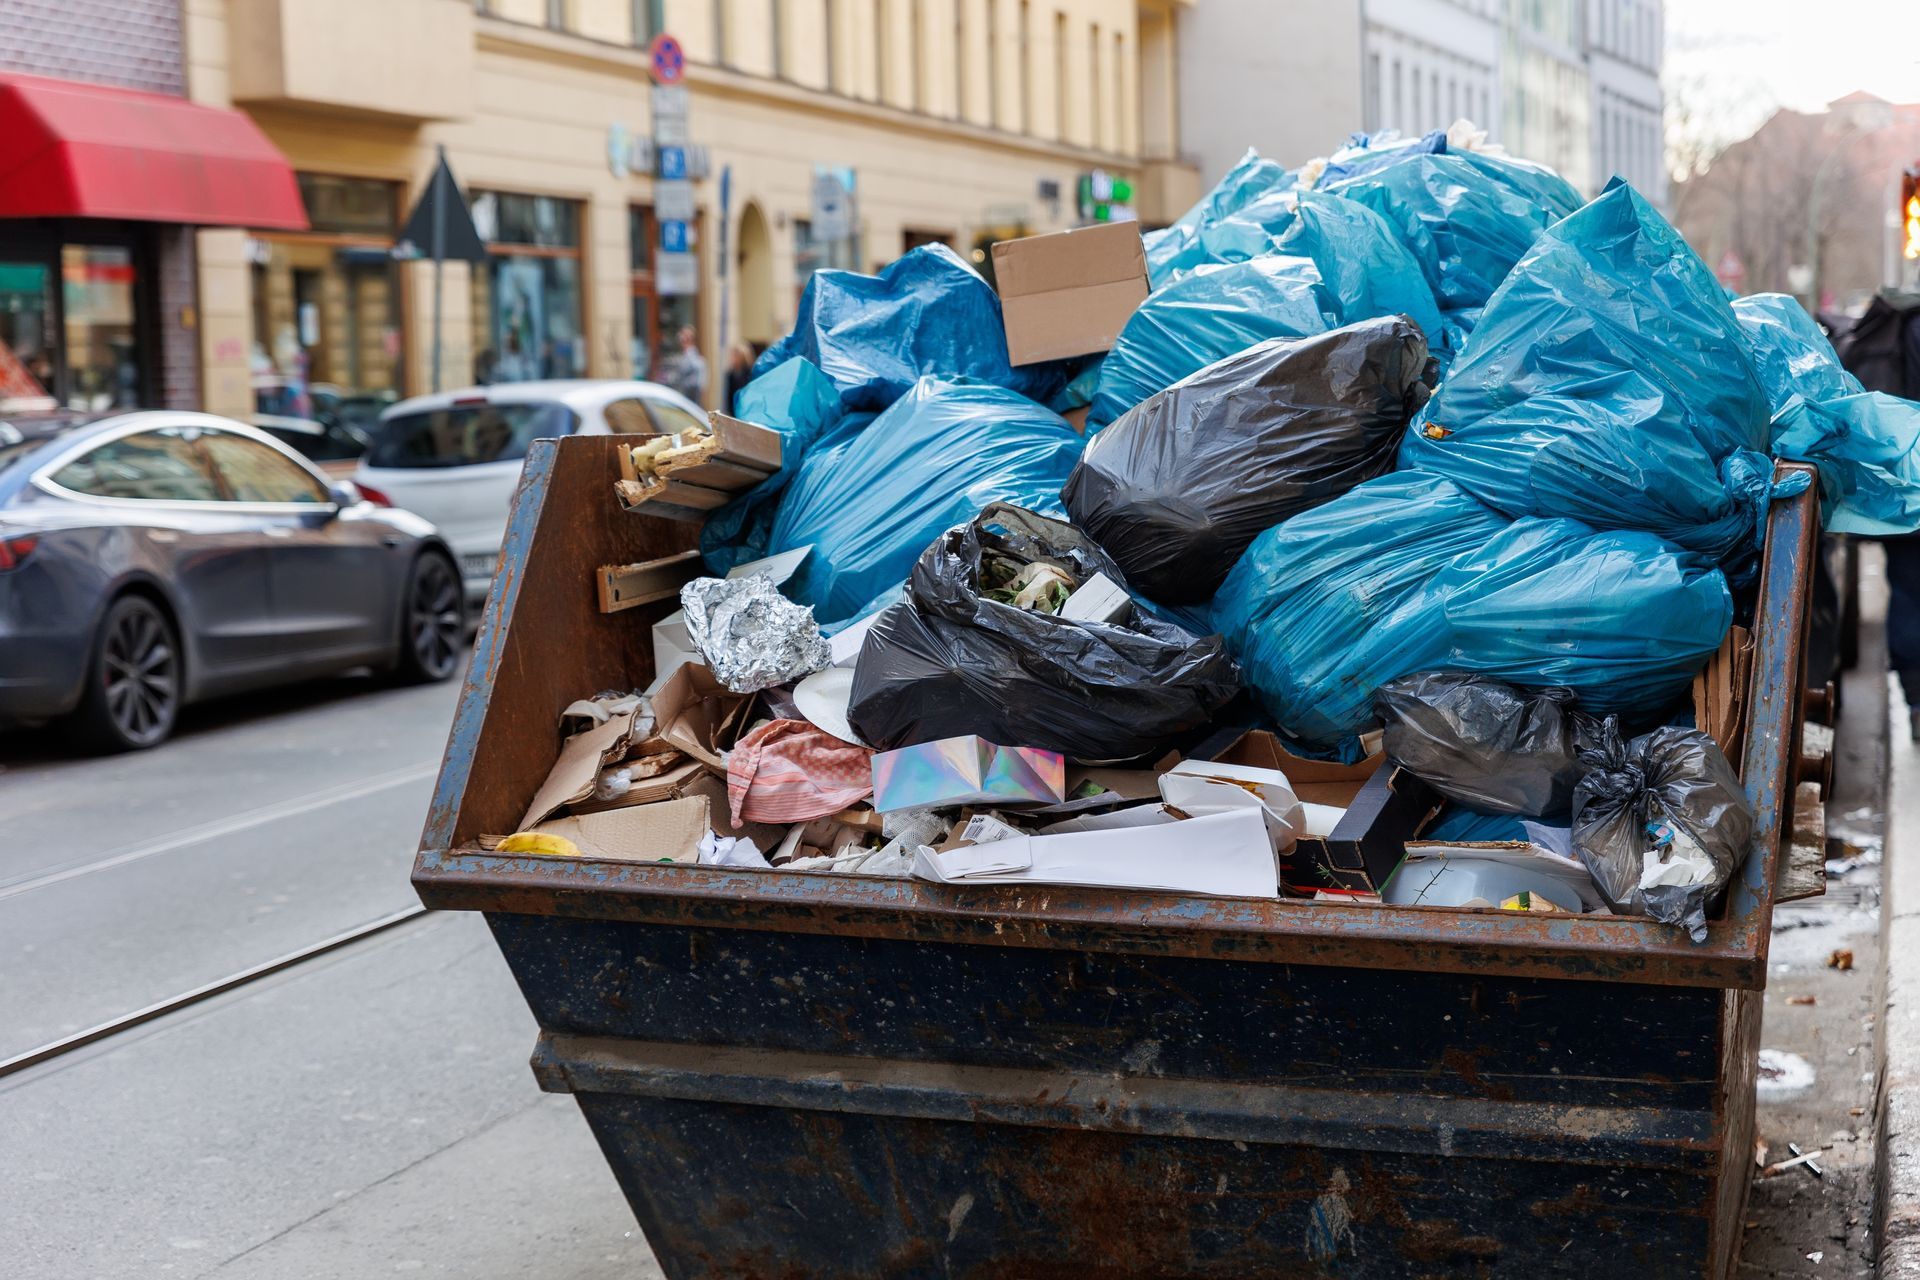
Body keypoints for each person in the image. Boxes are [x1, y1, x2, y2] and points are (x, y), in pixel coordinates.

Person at [663, 325, 707, 406]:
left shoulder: (695, 360)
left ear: (689, 339)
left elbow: (695, 387)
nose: (680, 338)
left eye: (683, 336)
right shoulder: (684, 356)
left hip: (688, 404)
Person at [722, 342, 755, 412]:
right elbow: (728, 395)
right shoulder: (730, 374)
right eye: (733, 355)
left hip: (747, 409)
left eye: (736, 355)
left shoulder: (750, 372)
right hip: (734, 409)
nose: (733, 358)